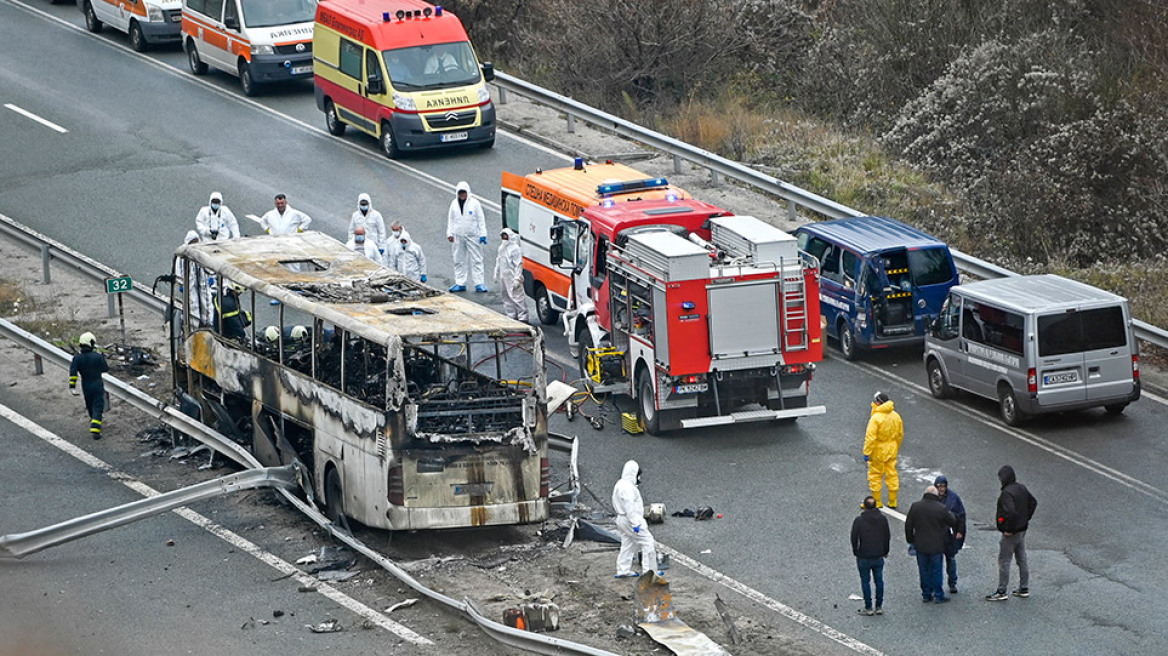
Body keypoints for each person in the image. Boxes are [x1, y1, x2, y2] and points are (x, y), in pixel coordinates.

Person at [986, 465, 1038, 602]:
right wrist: (1025, 518)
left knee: (1004, 561)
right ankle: (1024, 587)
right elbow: (1033, 502)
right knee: (1021, 558)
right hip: (1022, 530)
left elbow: (1010, 512)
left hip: (1012, 532)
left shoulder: (1007, 493)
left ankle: (1002, 591)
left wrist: (1007, 528)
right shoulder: (1021, 488)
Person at [905, 485, 957, 604]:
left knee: (923, 570)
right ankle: (939, 595)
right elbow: (952, 521)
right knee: (936, 570)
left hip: (920, 544)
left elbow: (908, 526)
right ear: (936, 494)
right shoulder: (941, 508)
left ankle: (926, 594)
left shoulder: (915, 506)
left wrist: (911, 540)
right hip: (936, 545)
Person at [611, 460, 659, 578]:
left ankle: (623, 570)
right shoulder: (628, 488)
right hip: (630, 520)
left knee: (628, 544)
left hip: (622, 519)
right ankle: (649, 572)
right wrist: (635, 523)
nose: (639, 478)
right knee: (648, 542)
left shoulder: (620, 484)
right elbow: (629, 508)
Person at [863, 391, 904, 508]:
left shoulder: (876, 418)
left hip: (878, 451)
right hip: (892, 449)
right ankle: (892, 501)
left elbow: (870, 438)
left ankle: (877, 502)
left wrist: (867, 452)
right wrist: (896, 447)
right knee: (892, 474)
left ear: (878, 402)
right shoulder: (896, 416)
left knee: (875, 475)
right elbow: (900, 434)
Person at [851, 495, 890, 616]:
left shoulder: (859, 520)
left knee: (865, 581)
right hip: (878, 554)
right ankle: (879, 606)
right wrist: (885, 551)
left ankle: (868, 607)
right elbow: (887, 536)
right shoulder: (882, 519)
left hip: (863, 555)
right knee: (879, 581)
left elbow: (854, 538)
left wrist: (856, 551)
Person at [446, 181, 487, 292]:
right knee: (458, 259)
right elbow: (451, 219)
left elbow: (480, 219)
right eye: (460, 193)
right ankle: (460, 282)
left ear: (468, 192)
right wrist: (450, 233)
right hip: (458, 236)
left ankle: (479, 283)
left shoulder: (475, 203)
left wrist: (483, 234)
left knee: (476, 259)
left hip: (473, 236)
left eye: (464, 192)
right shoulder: (454, 204)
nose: (462, 195)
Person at [69, 332, 109, 439]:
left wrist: (72, 386)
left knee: (90, 404)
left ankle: (93, 420)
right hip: (97, 383)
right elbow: (105, 368)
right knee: (98, 406)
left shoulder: (77, 358)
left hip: (85, 385)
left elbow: (73, 373)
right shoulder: (97, 357)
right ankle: (95, 429)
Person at [934, 475, 967, 593]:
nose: (941, 489)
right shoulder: (933, 497)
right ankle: (937, 585)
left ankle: (952, 583)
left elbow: (961, 516)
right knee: (936, 561)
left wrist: (960, 531)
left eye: (943, 486)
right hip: (937, 534)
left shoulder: (953, 498)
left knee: (950, 559)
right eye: (939, 486)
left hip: (949, 534)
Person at [175, 230, 213, 325]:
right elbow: (179, 270)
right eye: (192, 242)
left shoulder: (202, 253)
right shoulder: (182, 256)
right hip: (189, 284)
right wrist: (181, 283)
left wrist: (210, 276)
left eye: (196, 241)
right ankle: (194, 326)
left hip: (203, 283)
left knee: (207, 303)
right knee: (193, 304)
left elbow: (209, 266)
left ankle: (208, 323)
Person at [494, 228, 527, 321]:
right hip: (504, 276)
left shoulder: (515, 249)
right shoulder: (501, 248)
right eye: (502, 236)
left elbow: (518, 264)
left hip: (513, 276)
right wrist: (496, 273)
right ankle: (511, 314)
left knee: (517, 296)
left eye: (505, 236)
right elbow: (498, 260)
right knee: (506, 296)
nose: (504, 238)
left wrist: (517, 278)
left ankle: (523, 316)